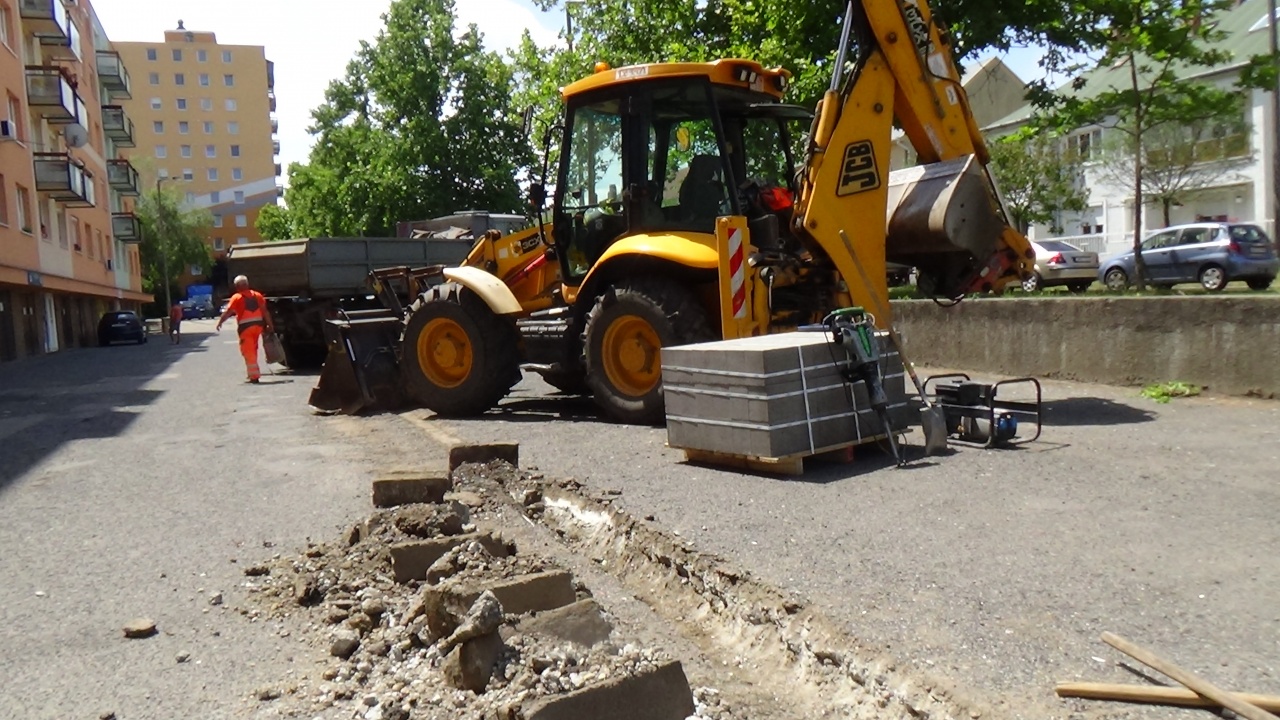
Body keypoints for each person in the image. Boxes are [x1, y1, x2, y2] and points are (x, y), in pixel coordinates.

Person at [215, 275, 275, 383]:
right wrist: (270, 324)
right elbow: (265, 311)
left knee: (248, 351)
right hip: (258, 326)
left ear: (237, 286)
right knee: (254, 348)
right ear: (247, 284)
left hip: (245, 328)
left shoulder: (237, 297)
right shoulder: (257, 295)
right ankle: (253, 373)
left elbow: (228, 311)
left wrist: (220, 322)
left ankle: (254, 376)